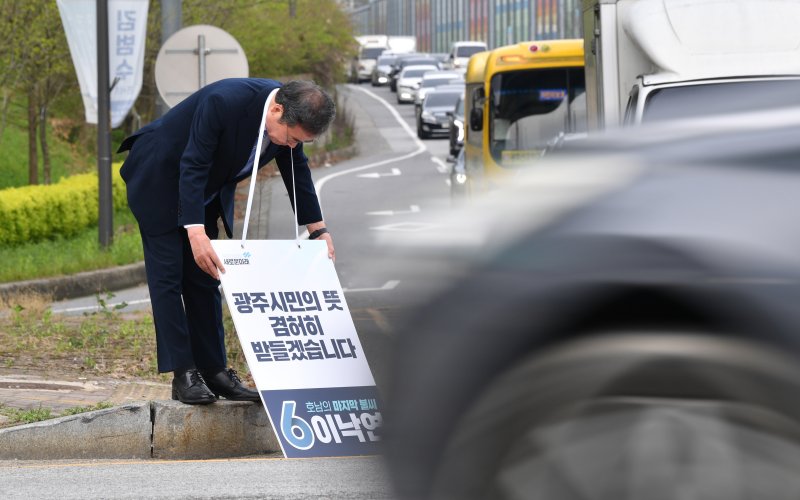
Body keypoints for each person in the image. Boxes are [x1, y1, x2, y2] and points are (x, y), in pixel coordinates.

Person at [117, 79, 336, 405]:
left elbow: (296, 169)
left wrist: (318, 230)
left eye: (299, 142)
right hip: (161, 175)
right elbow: (193, 161)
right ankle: (184, 374)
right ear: (276, 110)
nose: (291, 146)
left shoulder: (290, 118)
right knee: (169, 276)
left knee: (206, 275)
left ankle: (215, 371)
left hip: (201, 189)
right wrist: (195, 232)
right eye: (291, 139)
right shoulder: (225, 102)